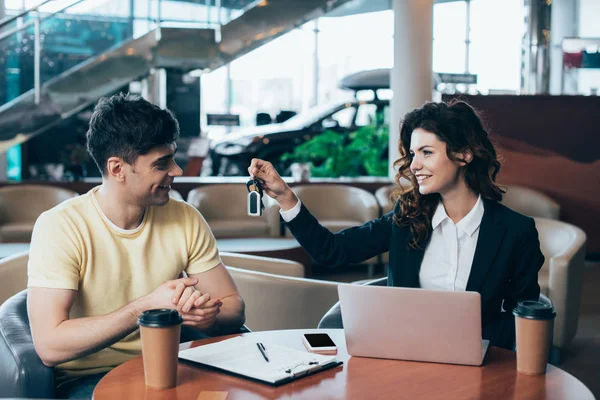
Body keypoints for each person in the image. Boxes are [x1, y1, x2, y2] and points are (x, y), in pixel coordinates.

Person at [248, 100, 544, 350]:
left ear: (464, 154)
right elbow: (332, 252)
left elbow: (525, 324)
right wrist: (286, 197)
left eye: (427, 152)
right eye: (413, 154)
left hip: (477, 367)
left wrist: (467, 338)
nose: (414, 165)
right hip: (405, 360)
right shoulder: (408, 217)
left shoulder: (515, 232)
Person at [27, 93, 245, 398]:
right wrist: (145, 307)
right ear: (117, 169)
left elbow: (234, 307)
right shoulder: (60, 226)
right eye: (162, 163)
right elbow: (49, 345)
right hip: (92, 378)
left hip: (178, 365)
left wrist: (208, 316)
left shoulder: (184, 217)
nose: (177, 171)